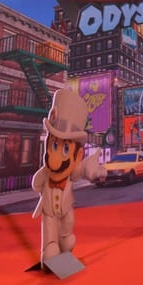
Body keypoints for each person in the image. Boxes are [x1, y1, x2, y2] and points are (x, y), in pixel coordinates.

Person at [31, 88, 106, 267]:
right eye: (54, 145)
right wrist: (42, 184)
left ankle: (65, 243)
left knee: (67, 231)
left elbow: (81, 170)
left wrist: (91, 169)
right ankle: (49, 248)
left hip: (66, 209)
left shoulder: (72, 168)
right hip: (49, 210)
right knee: (50, 232)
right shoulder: (46, 172)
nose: (55, 158)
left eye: (66, 148)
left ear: (77, 155)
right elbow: (36, 184)